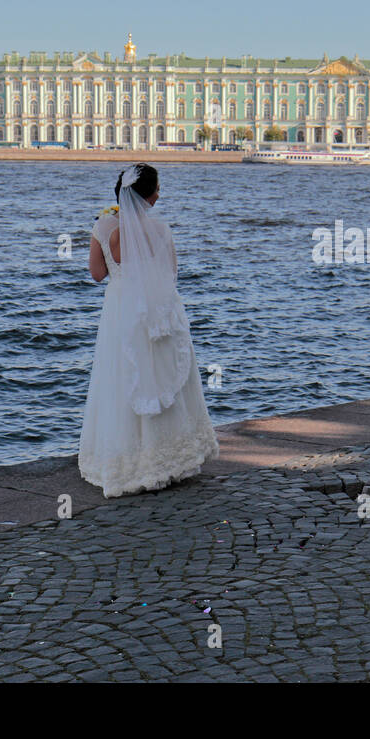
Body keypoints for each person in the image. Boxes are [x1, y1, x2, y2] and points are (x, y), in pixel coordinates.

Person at [79, 164, 219, 496]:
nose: (159, 194)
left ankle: (123, 460)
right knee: (161, 376)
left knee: (123, 377)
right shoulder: (160, 230)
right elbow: (171, 274)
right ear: (148, 196)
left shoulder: (103, 226)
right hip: (160, 312)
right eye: (157, 189)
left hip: (121, 312)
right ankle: (168, 456)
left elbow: (97, 274)